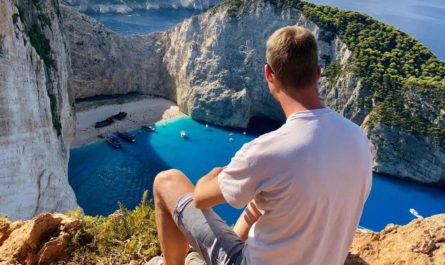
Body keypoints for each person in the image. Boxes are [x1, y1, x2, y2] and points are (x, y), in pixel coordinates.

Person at [153, 26, 372, 265]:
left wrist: (213, 175)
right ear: (318, 74)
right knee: (261, 203)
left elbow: (200, 199)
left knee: (167, 180)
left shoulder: (267, 151)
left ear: (269, 74)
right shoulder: (359, 139)